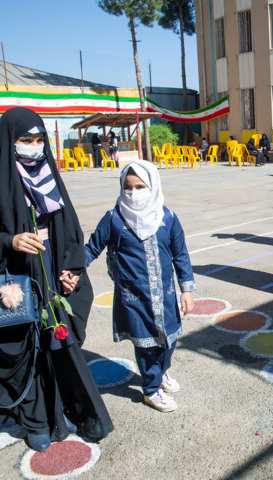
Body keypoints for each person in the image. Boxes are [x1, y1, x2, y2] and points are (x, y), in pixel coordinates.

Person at [0, 107, 114, 452]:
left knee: (55, 341)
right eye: (26, 140)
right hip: (11, 275)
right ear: (9, 140)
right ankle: (35, 420)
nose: (34, 146)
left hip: (50, 269)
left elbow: (66, 227)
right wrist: (8, 241)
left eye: (40, 140)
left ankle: (62, 410)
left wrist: (71, 269)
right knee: (22, 346)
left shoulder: (45, 172)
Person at [85, 161, 195, 412]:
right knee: (146, 345)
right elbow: (91, 248)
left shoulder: (166, 217)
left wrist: (187, 289)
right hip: (133, 298)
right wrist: (71, 269)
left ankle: (162, 372)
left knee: (169, 339)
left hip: (166, 295)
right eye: (127, 187)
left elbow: (180, 254)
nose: (133, 193)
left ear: (152, 186)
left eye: (140, 186)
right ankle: (151, 389)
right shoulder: (114, 219)